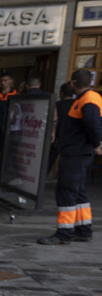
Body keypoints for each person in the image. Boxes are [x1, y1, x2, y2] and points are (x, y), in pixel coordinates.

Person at [38, 67, 99, 244]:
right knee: (77, 192)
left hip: (76, 153)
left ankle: (64, 233)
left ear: (73, 84)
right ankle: (84, 229)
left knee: (66, 191)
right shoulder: (85, 99)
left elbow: (92, 123)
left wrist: (96, 143)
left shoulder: (88, 100)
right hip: (77, 152)